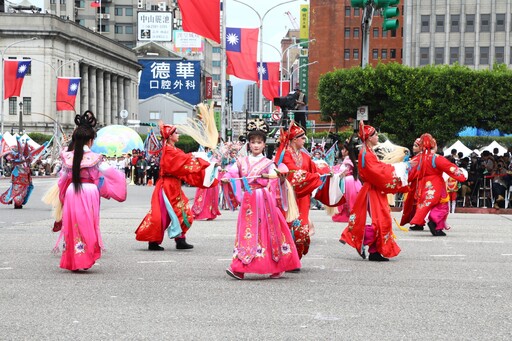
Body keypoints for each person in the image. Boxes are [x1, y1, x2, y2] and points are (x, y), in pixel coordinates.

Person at [222, 126, 301, 280]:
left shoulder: (268, 163)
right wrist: (226, 178)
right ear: (248, 144)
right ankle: (240, 267)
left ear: (264, 144)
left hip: (265, 200)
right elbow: (231, 173)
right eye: (253, 142)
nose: (256, 145)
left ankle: (276, 266)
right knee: (247, 232)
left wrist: (280, 176)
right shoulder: (241, 161)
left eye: (259, 142)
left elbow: (277, 177)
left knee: (269, 232)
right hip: (248, 201)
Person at [54, 110, 127, 271]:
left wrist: (62, 194)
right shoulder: (95, 158)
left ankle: (73, 259)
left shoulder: (68, 157)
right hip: (89, 192)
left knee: (72, 225)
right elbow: (112, 174)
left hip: (72, 192)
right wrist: (119, 183)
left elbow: (62, 180)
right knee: (88, 224)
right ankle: (85, 257)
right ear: (91, 140)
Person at [135, 123, 219, 251]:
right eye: (176, 133)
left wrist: (207, 167)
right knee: (162, 214)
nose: (178, 135)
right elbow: (184, 161)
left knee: (182, 212)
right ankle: (154, 240)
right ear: (169, 136)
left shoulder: (175, 150)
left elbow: (184, 163)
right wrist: (201, 160)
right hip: (167, 186)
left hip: (174, 185)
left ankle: (180, 239)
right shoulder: (168, 151)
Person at [340, 121, 409, 261]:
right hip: (372, 190)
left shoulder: (368, 152)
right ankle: (360, 235)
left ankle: (374, 251)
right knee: (381, 221)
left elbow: (379, 168)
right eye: (375, 135)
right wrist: (400, 168)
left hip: (375, 189)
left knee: (383, 220)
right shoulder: (366, 154)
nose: (377, 137)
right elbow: (378, 172)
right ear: (369, 138)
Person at [275, 121, 323, 262]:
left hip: (303, 197)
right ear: (294, 139)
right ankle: (289, 259)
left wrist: (325, 172)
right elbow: (291, 173)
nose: (304, 140)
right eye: (302, 138)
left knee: (302, 229)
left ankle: (295, 258)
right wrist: (314, 177)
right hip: (288, 197)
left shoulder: (306, 157)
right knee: (289, 228)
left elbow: (314, 170)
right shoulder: (284, 155)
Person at [402, 133, 467, 236]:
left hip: (423, 185)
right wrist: (462, 175)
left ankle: (429, 222)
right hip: (437, 184)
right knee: (442, 206)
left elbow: (408, 172)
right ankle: (436, 223)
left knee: (426, 204)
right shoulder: (436, 158)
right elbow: (450, 168)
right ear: (434, 145)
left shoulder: (419, 158)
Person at [332, 139, 362, 223]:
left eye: (343, 149)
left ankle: (350, 215)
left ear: (347, 151)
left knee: (348, 199)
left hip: (348, 182)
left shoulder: (347, 161)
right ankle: (351, 215)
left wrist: (335, 173)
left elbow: (344, 172)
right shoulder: (348, 160)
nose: (342, 151)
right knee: (350, 199)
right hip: (350, 181)